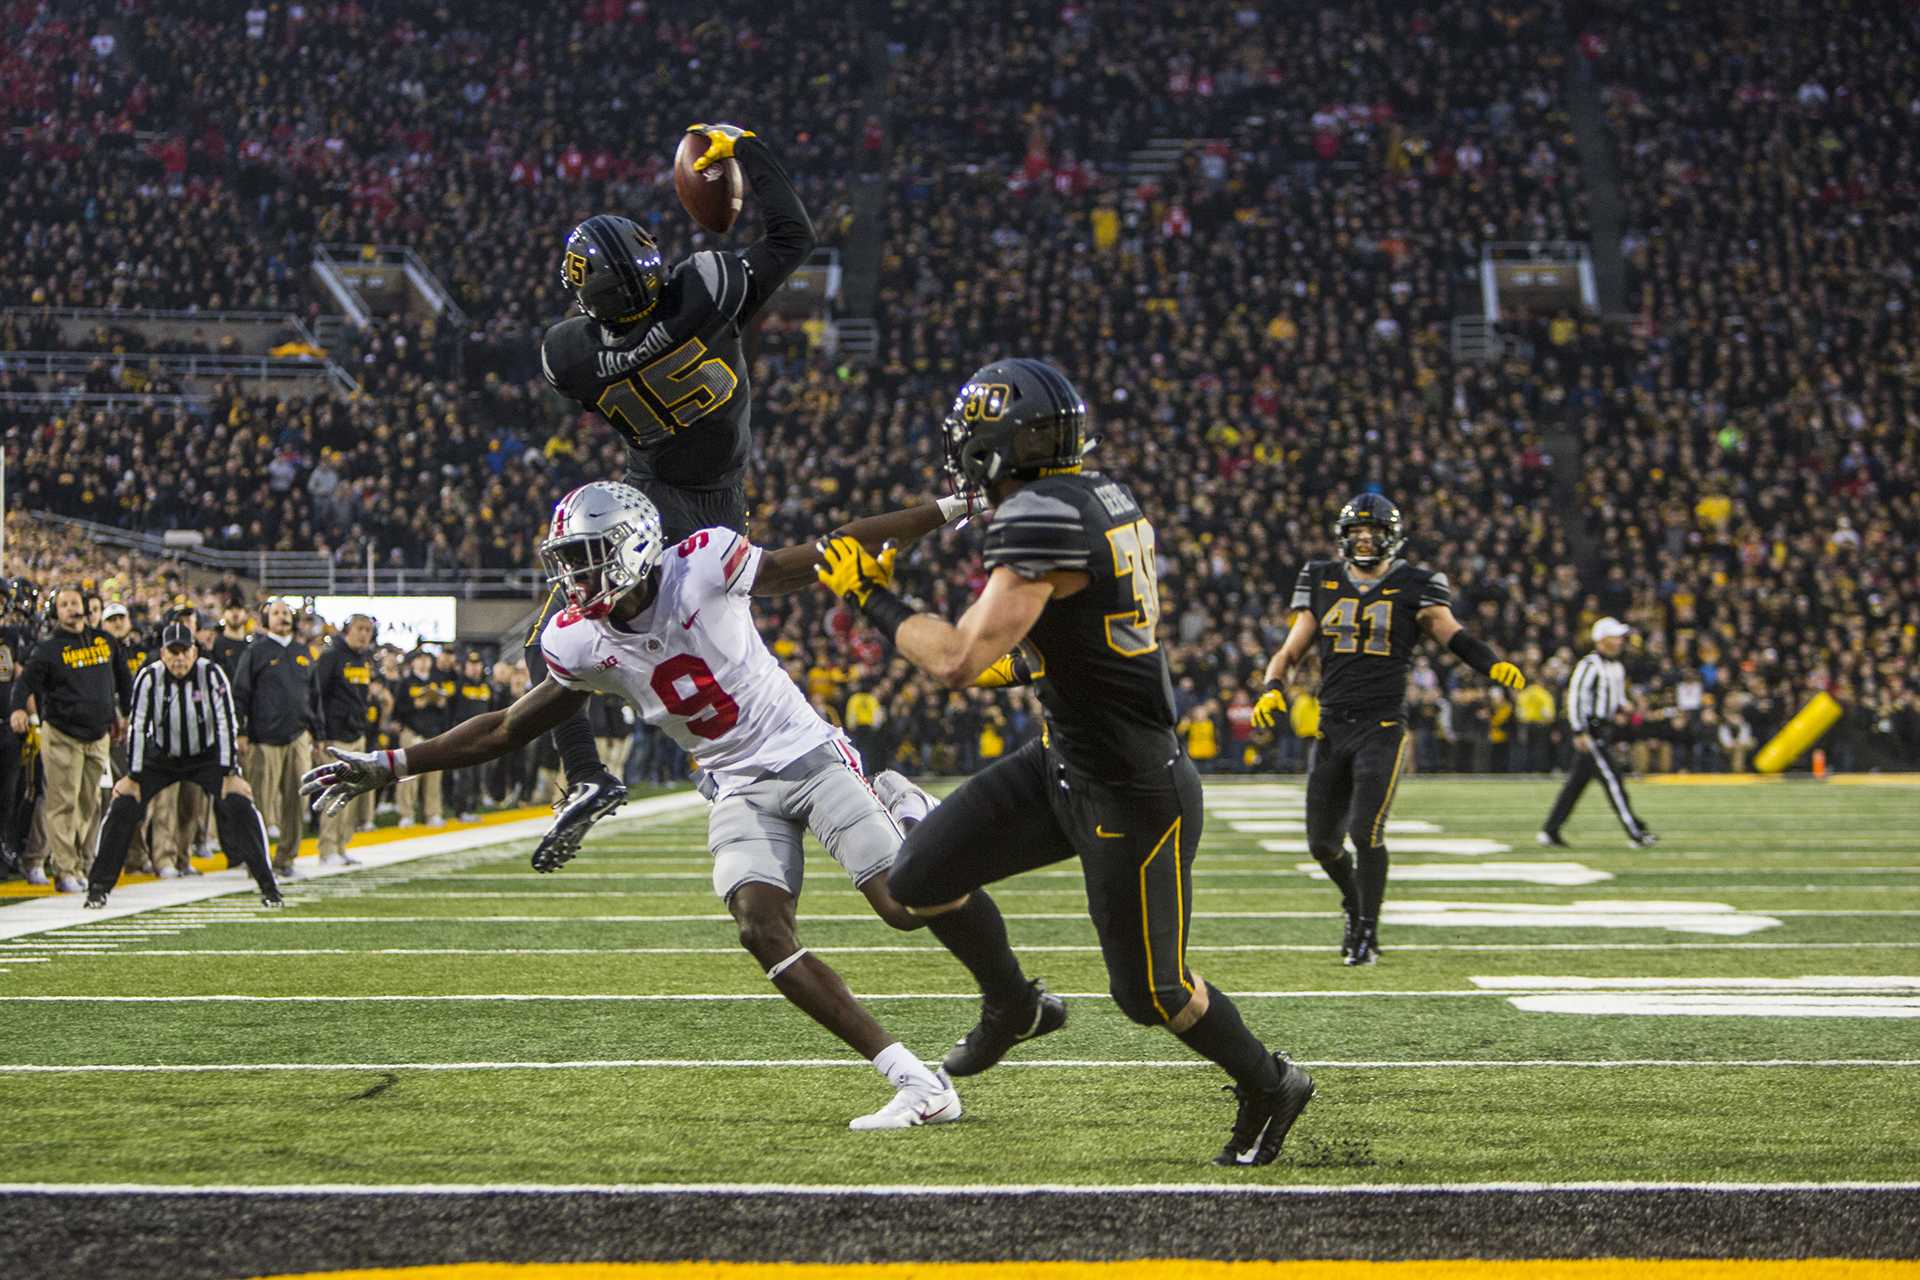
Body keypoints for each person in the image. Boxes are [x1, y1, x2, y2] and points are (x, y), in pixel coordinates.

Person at [304, 480, 980, 1131]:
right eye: (566, 561)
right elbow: (508, 726)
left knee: (903, 906)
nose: (573, 577)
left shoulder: (706, 565)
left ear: (630, 546)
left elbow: (836, 549)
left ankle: (908, 807)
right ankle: (915, 1081)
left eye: (584, 559)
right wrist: (393, 766)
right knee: (759, 928)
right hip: (734, 783)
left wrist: (947, 508)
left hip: (806, 754)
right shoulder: (577, 638)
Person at [814, 358, 1313, 1167]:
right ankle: (1014, 1003)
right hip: (1063, 763)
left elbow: (955, 663)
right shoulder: (1096, 495)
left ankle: (1270, 1081)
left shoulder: (1042, 515)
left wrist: (870, 597)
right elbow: (1058, 640)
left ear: (1000, 446)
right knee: (917, 880)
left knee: (1151, 993)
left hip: (1131, 788)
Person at [522, 122, 818, 870]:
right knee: (719, 636)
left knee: (554, 637)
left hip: (650, 495)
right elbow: (794, 235)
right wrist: (749, 147)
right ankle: (733, 767)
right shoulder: (704, 290)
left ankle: (587, 774)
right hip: (718, 496)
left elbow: (597, 374)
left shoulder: (569, 355)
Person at [1249, 494, 1529, 965]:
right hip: (1332, 723)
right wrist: (1272, 686)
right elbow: (1292, 648)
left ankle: (1366, 931)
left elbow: (1452, 634)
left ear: (1390, 537)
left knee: (1366, 831)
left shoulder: (1416, 584)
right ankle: (1353, 901)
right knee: (1321, 844)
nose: (1363, 540)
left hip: (1381, 725)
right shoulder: (1321, 577)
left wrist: (1491, 664)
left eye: (1371, 533)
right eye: (1355, 533)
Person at [84, 622, 282, 909]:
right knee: (123, 805)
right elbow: (138, 725)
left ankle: (268, 886)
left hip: (206, 756)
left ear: (195, 651)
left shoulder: (211, 674)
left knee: (240, 804)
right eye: (172, 651)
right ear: (162, 653)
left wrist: (230, 773)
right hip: (162, 756)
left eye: (184, 651)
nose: (179, 658)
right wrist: (134, 775)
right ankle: (98, 888)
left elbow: (227, 721)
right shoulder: (149, 677)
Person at [9, 586, 130, 891]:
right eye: (64, 605)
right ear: (56, 612)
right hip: (62, 733)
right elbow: (24, 684)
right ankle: (64, 870)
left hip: (98, 734)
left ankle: (75, 863)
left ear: (86, 606)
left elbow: (123, 678)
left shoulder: (105, 641)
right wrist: (18, 709)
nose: (71, 609)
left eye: (74, 602)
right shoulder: (48, 648)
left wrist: (127, 713)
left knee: (89, 803)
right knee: (63, 802)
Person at [1538, 617, 1657, 848]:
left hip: (1606, 729)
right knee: (1614, 781)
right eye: (1615, 636)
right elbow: (1575, 699)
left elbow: (1616, 698)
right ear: (1602, 640)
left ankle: (1550, 831)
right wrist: (1578, 731)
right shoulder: (1589, 665)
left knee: (1575, 786)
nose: (1620, 641)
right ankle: (1636, 831)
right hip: (1591, 731)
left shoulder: (1616, 666)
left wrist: (1625, 707)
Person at [233, 599, 316, 877]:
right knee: (258, 803)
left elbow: (313, 697)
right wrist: (241, 731)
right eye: (276, 613)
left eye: (286, 612)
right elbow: (240, 694)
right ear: (265, 620)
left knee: (297, 800)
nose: (282, 617)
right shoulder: (256, 652)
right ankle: (256, 858)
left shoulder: (302, 651)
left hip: (298, 736)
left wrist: (319, 732)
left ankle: (286, 857)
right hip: (263, 737)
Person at [310, 613, 375, 866]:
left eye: (368, 630)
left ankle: (341, 845)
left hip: (357, 734)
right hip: (335, 737)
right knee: (334, 793)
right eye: (360, 628)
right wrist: (321, 734)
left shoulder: (363, 659)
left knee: (350, 795)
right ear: (348, 629)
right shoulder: (331, 656)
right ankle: (327, 849)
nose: (364, 634)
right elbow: (316, 695)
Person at [394, 648, 451, 827]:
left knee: (434, 777)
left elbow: (446, 712)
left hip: (433, 733)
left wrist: (441, 704)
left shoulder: (437, 680)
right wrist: (415, 705)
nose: (424, 662)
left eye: (427, 658)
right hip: (412, 731)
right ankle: (406, 813)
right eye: (420, 659)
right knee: (408, 776)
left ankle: (433, 813)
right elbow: (398, 710)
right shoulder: (406, 682)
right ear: (413, 662)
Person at [449, 651, 494, 820]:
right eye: (471, 664)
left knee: (478, 774)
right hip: (463, 737)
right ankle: (461, 810)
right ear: (465, 666)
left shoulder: (486, 686)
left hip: (482, 737)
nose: (475, 668)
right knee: (464, 774)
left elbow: (491, 710)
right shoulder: (459, 685)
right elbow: (451, 711)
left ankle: (473, 807)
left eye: (477, 664)